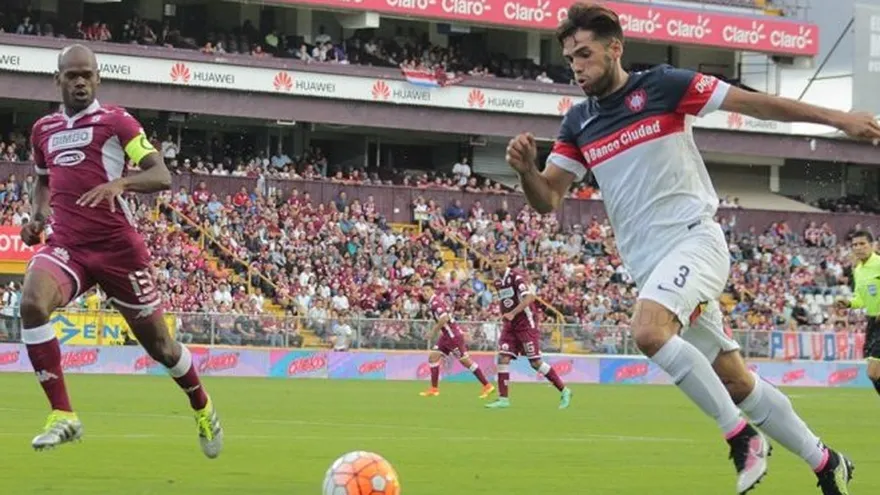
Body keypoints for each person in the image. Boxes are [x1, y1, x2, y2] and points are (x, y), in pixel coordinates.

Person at [505, 4, 880, 494]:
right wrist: (527, 172)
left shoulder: (663, 86)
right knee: (736, 381)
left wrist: (838, 118)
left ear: (615, 47)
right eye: (570, 58)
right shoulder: (578, 123)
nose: (576, 66)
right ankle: (825, 461)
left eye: (585, 54)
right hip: (650, 266)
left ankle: (743, 439)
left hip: (694, 241)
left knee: (648, 330)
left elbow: (753, 103)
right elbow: (548, 199)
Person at [21, 44, 223, 457]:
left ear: (98, 79)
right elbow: (42, 181)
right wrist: (37, 216)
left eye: (87, 75)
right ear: (57, 80)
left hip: (119, 251)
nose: (79, 82)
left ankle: (202, 407)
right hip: (69, 248)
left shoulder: (117, 122)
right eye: (71, 75)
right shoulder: (43, 130)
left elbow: (161, 174)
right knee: (31, 303)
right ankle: (63, 415)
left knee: (161, 348)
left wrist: (121, 184)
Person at [485, 253, 571, 409]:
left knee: (535, 362)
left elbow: (529, 298)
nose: (497, 263)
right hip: (510, 326)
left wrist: (512, 313)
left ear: (507, 261)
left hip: (525, 324)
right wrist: (504, 314)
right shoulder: (497, 281)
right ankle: (503, 399)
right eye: (495, 260)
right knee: (503, 358)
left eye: (500, 260)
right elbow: (506, 301)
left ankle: (564, 390)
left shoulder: (516, 277)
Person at [419, 280, 495, 399]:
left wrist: (432, 332)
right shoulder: (433, 302)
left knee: (465, 361)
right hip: (446, 336)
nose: (424, 293)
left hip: (453, 337)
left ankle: (487, 385)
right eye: (423, 291)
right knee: (433, 357)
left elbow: (444, 318)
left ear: (432, 291)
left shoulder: (435, 303)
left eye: (427, 290)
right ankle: (434, 389)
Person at [837, 230, 880, 396]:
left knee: (873, 372)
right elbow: (860, 298)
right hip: (872, 322)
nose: (858, 247)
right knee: (873, 374)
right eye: (855, 245)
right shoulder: (859, 269)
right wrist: (848, 303)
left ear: (873, 245)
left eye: (862, 244)